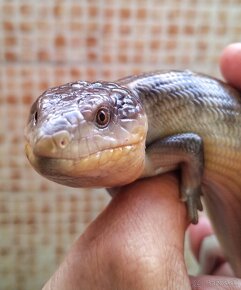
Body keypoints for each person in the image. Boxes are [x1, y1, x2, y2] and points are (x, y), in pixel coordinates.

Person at [43, 43, 241, 290]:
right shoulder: (133, 156)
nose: (55, 139)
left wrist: (190, 189)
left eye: (101, 118)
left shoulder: (146, 148)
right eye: (39, 116)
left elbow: (191, 145)